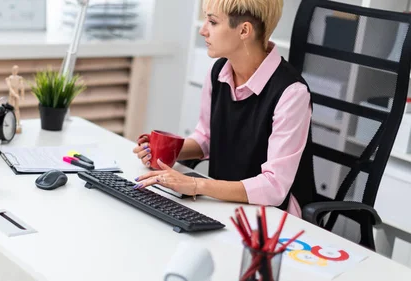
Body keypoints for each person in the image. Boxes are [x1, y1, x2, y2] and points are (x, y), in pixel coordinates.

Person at [132, 0, 315, 217]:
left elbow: (274, 187)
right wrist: (164, 152)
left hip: (272, 217)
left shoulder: (291, 92)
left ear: (244, 30)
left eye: (212, 22)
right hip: (222, 202)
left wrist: (195, 185)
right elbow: (207, 139)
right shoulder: (219, 72)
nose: (203, 30)